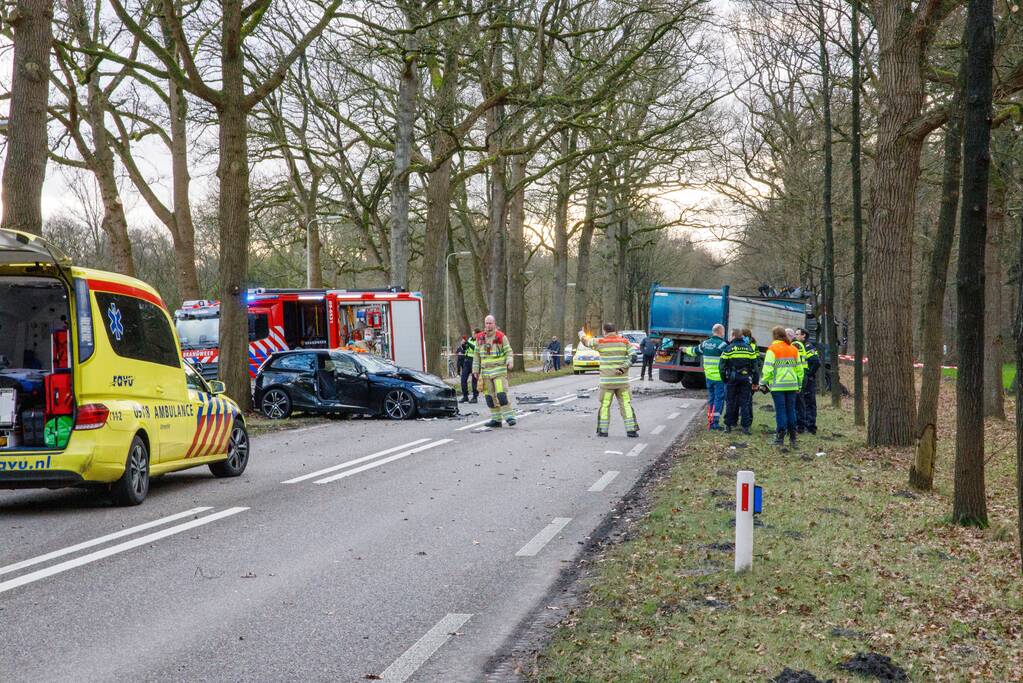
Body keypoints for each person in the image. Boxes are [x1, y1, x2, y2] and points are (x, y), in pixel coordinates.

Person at [760, 325, 804, 446]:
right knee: (791, 410)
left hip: (778, 386)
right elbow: (800, 370)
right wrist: (799, 385)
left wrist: (762, 383)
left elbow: (768, 369)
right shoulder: (793, 349)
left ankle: (779, 438)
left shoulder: (772, 349)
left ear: (774, 336)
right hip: (792, 385)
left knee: (781, 411)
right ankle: (793, 438)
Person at [594, 322, 639, 438]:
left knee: (605, 405)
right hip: (622, 383)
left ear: (604, 331)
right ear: (616, 331)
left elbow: (586, 341)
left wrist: (581, 334)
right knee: (626, 405)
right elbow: (634, 356)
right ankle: (631, 431)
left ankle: (603, 431)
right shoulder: (624, 342)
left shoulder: (600, 342)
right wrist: (623, 368)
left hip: (607, 383)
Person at [683, 323, 729, 430]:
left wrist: (685, 349)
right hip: (719, 378)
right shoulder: (722, 345)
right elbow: (730, 357)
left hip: (709, 377)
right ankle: (715, 423)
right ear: (721, 332)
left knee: (711, 398)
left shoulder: (705, 344)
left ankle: (710, 420)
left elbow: (694, 351)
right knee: (719, 399)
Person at [473, 316, 515, 427]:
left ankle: (509, 416)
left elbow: (508, 351)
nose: (488, 325)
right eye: (486, 323)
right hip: (485, 373)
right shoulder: (479, 338)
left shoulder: (501, 337)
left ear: (494, 324)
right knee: (489, 397)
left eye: (490, 323)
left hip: (499, 371)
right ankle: (496, 420)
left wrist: (510, 361)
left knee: (501, 394)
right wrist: (475, 370)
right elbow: (476, 355)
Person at [720, 328, 758, 434]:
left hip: (732, 378)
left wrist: (724, 379)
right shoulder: (750, 349)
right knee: (744, 402)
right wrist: (755, 382)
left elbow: (722, 366)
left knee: (730, 401)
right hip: (746, 379)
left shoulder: (728, 349)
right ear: (742, 336)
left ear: (733, 336)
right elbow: (755, 367)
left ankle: (728, 426)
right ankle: (745, 427)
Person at [795, 327, 820, 434]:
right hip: (804, 379)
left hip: (809, 379)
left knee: (809, 402)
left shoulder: (808, 347)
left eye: (797, 334)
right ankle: (804, 424)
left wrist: (809, 374)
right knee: (803, 401)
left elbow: (816, 362)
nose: (796, 336)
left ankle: (811, 426)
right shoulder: (801, 346)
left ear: (803, 335)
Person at [459, 330, 480, 403]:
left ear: (478, 334)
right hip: (467, 361)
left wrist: (467, 342)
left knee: (474, 381)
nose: (473, 334)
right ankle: (465, 396)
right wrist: (463, 345)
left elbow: (475, 348)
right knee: (463, 379)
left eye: (474, 333)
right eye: (472, 333)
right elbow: (466, 349)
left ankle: (475, 397)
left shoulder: (479, 340)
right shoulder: (470, 339)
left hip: (475, 362)